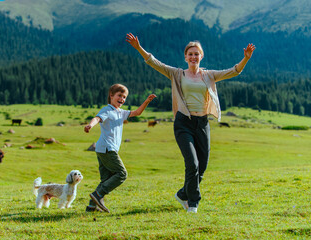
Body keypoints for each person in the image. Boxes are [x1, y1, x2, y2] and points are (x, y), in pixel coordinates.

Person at [126, 33, 255, 213]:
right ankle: (193, 203)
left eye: (197, 54)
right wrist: (139, 48)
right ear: (185, 57)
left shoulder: (209, 75)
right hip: (183, 123)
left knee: (202, 166)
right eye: (190, 54)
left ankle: (182, 193)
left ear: (201, 56)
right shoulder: (177, 74)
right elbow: (154, 62)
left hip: (202, 123)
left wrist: (246, 58)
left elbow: (234, 71)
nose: (193, 57)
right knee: (192, 163)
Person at [84, 83, 156, 213]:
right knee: (122, 174)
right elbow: (97, 118)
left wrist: (146, 101)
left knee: (106, 179)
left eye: (124, 97)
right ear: (111, 95)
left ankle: (91, 206)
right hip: (107, 148)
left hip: (103, 148)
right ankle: (97, 195)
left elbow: (137, 112)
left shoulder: (121, 112)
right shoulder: (107, 110)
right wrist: (90, 125)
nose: (122, 99)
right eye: (119, 95)